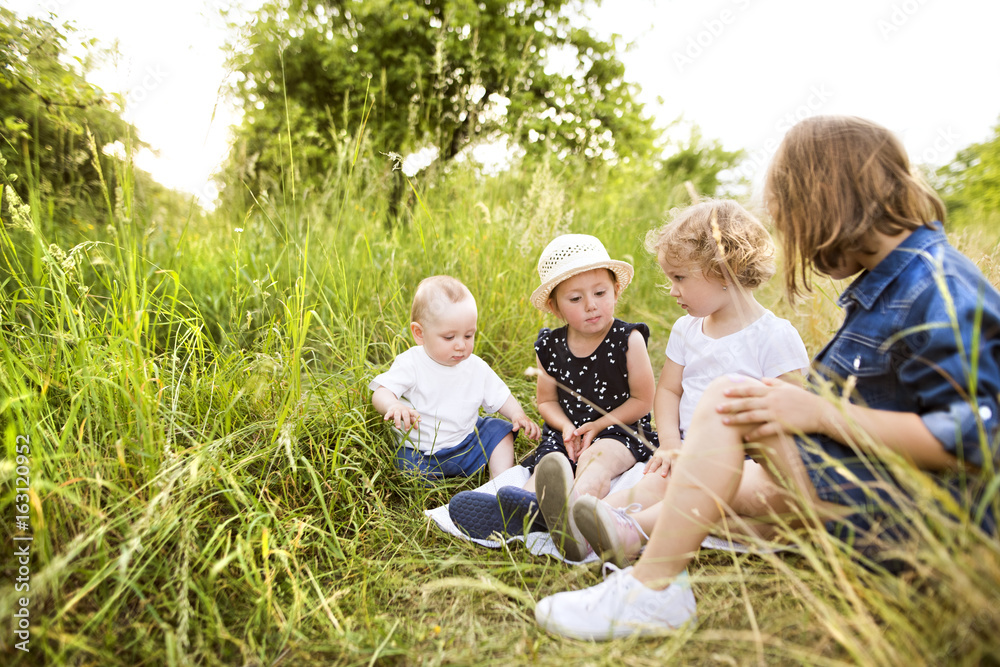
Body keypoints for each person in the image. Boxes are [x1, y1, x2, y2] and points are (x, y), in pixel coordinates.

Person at [534, 115, 1000, 640]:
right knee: (713, 474)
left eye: (793, 219)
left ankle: (652, 583)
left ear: (830, 203)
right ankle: (622, 529)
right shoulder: (892, 284)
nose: (794, 239)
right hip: (858, 489)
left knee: (730, 399)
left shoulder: (936, 286)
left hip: (913, 526)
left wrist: (823, 413)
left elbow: (979, 435)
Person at [572, 199, 810, 567]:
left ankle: (622, 530)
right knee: (652, 485)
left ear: (725, 271)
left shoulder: (774, 336)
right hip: (685, 452)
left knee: (702, 498)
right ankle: (585, 524)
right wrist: (670, 444)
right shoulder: (687, 329)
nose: (671, 290)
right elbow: (669, 390)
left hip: (745, 462)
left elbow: (791, 416)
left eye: (679, 278)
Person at [449, 234, 658, 560]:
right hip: (567, 433)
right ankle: (521, 512)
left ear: (616, 290)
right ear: (554, 306)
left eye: (600, 293)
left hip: (618, 430)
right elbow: (546, 401)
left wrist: (597, 425)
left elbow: (643, 401)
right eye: (575, 298)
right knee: (547, 469)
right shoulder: (550, 347)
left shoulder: (628, 340)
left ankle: (573, 517)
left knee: (596, 461)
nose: (591, 305)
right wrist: (565, 427)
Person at [370, 275, 540, 482]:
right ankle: (430, 483)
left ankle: (499, 482)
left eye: (468, 335)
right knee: (405, 465)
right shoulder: (411, 363)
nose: (461, 345)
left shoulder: (476, 367)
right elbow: (382, 392)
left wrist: (517, 414)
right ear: (420, 333)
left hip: (467, 444)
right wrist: (393, 405)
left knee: (499, 432)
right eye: (449, 337)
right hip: (422, 453)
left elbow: (500, 396)